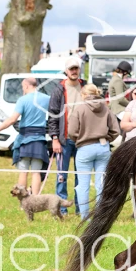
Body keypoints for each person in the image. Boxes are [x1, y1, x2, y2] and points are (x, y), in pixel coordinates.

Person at [0, 77, 50, 194]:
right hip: (39, 140)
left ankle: (23, 201)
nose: (22, 89)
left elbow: (12, 120)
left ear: (26, 86)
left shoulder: (22, 100)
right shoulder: (46, 98)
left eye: (22, 87)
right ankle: (35, 201)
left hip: (25, 140)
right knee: (36, 172)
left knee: (23, 171)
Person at [68, 84, 120, 220]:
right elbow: (116, 130)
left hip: (84, 148)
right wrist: (107, 139)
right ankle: (100, 215)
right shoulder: (106, 108)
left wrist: (80, 139)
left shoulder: (79, 109)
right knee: (101, 184)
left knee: (83, 185)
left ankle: (85, 216)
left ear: (84, 95)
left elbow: (71, 131)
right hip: (103, 147)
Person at [48, 57, 86, 215]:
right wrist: (54, 138)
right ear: (66, 71)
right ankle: (61, 209)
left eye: (76, 68)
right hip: (64, 139)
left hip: (83, 140)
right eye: (71, 69)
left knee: (81, 177)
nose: (74, 71)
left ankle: (79, 208)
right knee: (61, 176)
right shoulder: (59, 89)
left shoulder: (86, 86)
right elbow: (52, 115)